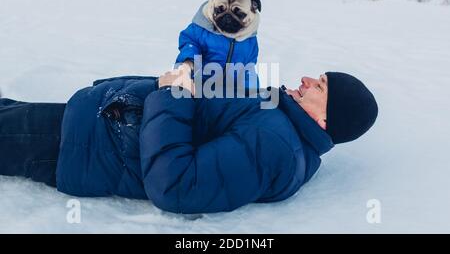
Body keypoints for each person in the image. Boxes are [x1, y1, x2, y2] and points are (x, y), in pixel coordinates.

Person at [0, 69, 378, 214]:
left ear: (325, 118)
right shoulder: (280, 114)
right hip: (93, 122)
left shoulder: (276, 146)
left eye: (320, 86)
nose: (308, 79)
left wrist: (169, 94)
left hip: (85, 146)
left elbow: (178, 185)